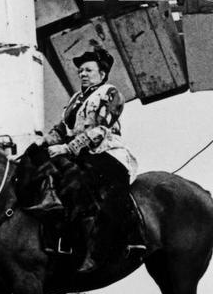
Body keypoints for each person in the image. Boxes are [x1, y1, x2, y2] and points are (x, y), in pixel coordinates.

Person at [25, 47, 138, 272]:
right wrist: (43, 142)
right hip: (79, 153)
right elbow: (61, 128)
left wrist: (67, 148)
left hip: (106, 154)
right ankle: (50, 208)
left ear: (102, 74)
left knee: (78, 182)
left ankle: (95, 250)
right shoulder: (76, 98)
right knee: (34, 160)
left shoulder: (110, 93)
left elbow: (100, 130)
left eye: (88, 70)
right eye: (80, 71)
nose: (82, 74)